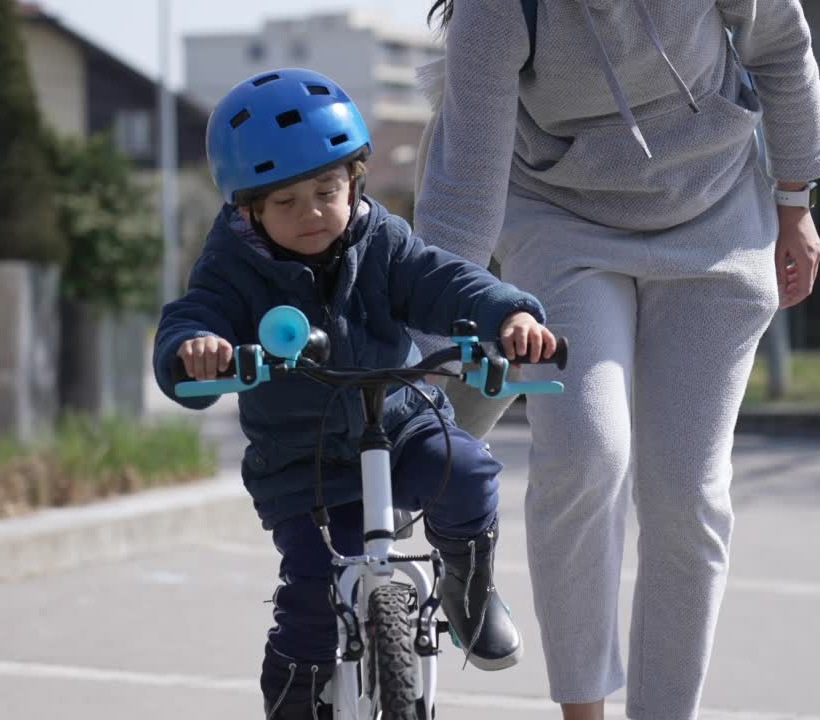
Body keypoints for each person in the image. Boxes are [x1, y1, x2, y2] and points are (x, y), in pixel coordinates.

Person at [412, 2, 820, 719]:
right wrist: (432, 347)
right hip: (560, 219)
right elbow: (464, 193)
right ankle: (583, 712)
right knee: (585, 452)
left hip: (716, 218)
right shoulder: (500, 11)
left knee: (686, 493)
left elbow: (780, 45)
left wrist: (796, 200)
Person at [151, 68, 558, 718]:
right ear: (246, 209)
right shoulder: (231, 264)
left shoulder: (384, 242)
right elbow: (193, 317)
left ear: (355, 179)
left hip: (400, 422)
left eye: (326, 189)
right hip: (302, 462)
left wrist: (506, 315)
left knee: (471, 471)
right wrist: (195, 351)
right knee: (313, 592)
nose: (311, 212)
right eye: (284, 203)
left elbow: (446, 280)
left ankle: (467, 587)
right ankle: (290, 700)